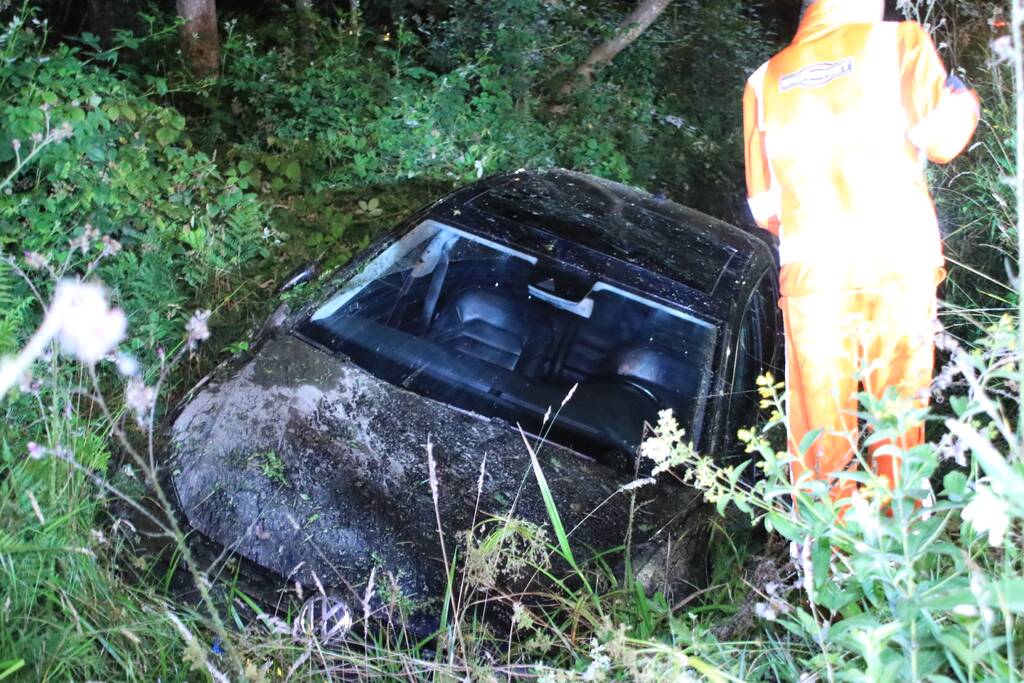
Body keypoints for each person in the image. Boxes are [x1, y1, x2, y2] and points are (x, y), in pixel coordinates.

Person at [742, 0, 979, 499]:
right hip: (897, 259)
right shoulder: (899, 42)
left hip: (813, 274)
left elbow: (764, 208)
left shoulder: (763, 81)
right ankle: (900, 544)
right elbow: (942, 139)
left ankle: (830, 553)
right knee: (897, 413)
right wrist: (962, 99)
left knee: (819, 429)